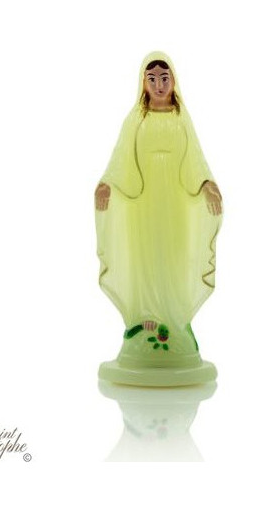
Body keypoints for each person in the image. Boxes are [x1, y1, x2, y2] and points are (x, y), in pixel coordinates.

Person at [95, 50, 223, 380]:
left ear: (174, 81)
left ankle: (175, 323)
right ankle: (146, 321)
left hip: (175, 206)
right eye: (152, 79)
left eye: (164, 78)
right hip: (144, 208)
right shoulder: (135, 120)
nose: (159, 85)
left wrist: (207, 184)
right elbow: (121, 157)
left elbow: (195, 158)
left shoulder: (182, 119)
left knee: (173, 259)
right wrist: (107, 184)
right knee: (147, 259)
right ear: (143, 83)